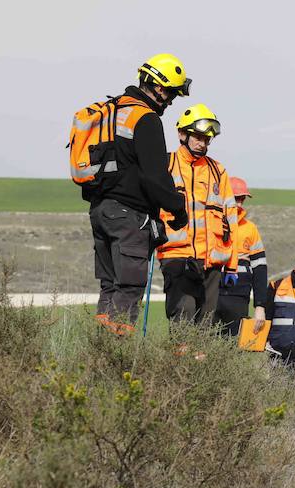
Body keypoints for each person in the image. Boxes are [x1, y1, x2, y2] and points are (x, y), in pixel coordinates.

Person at [86, 53, 190, 334]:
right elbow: (155, 178)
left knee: (109, 286)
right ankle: (115, 357)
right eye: (172, 94)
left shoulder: (113, 109)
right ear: (159, 87)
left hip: (100, 211)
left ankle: (99, 350)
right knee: (129, 287)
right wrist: (178, 209)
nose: (170, 101)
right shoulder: (146, 119)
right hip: (129, 216)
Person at [158, 104, 238, 325]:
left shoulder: (217, 170)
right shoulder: (166, 165)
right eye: (198, 137)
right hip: (176, 257)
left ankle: (201, 361)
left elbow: (230, 217)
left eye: (207, 139)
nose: (203, 144)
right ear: (182, 134)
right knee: (183, 316)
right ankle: (180, 361)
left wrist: (232, 264)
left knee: (206, 326)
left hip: (212, 261)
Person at [214, 177, 268, 336]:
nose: (240, 204)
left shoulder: (250, 229)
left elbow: (260, 270)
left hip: (239, 297)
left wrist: (260, 306)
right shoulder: (211, 223)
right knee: (205, 344)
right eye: (236, 198)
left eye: (242, 199)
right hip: (211, 294)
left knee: (233, 347)